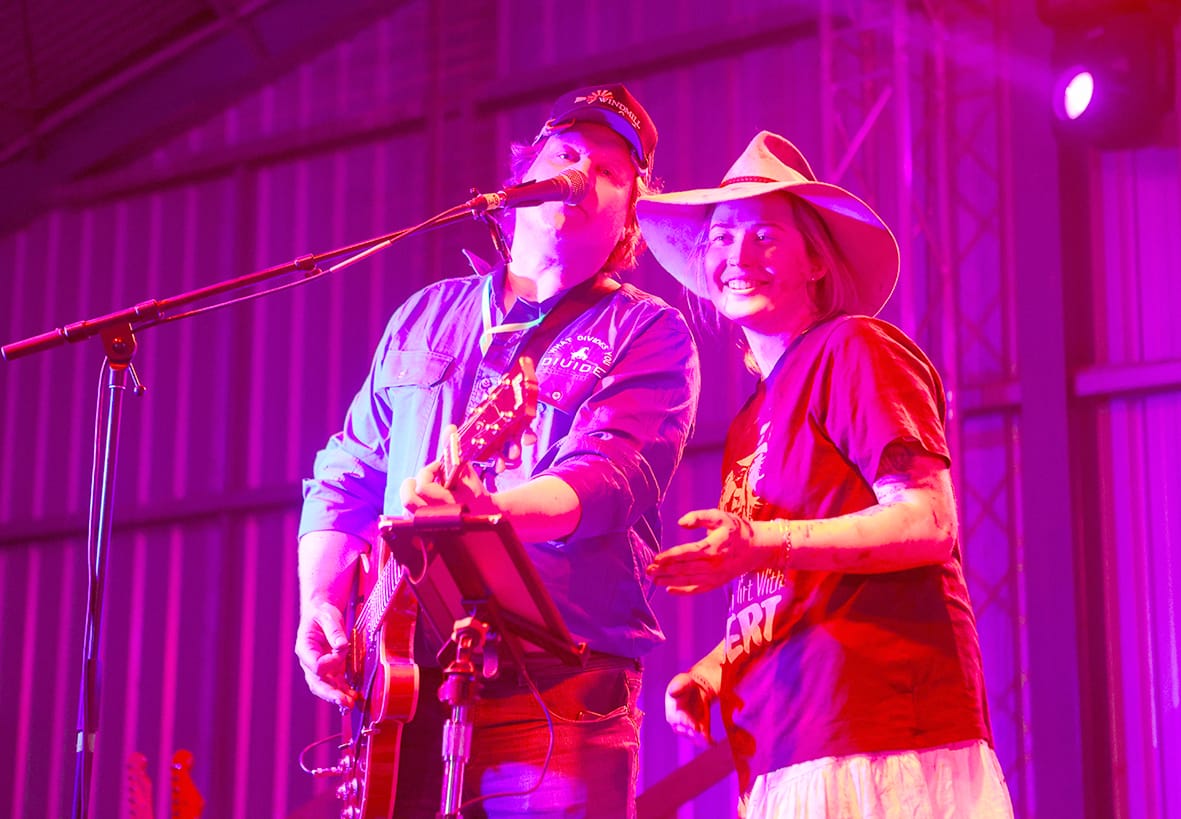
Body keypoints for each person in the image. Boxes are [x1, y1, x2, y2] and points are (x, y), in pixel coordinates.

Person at [294, 83, 700, 818]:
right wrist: (319, 601)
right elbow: (346, 474)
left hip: (558, 685)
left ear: (629, 217)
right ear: (519, 181)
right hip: (401, 687)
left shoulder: (649, 331)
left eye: (611, 171)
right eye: (568, 154)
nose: (583, 174)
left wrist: (486, 513)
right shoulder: (425, 314)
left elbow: (607, 475)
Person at [637, 131, 1013, 818]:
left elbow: (928, 521)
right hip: (786, 747)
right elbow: (804, 583)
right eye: (720, 238)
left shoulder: (853, 348)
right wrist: (716, 668)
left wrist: (760, 544)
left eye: (764, 237)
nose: (737, 256)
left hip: (881, 735)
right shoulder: (752, 417)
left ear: (814, 261)